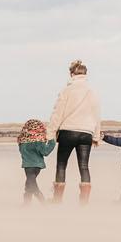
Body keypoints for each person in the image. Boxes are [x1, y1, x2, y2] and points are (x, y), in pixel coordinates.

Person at [47, 60, 103, 204]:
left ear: (71, 73)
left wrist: (50, 133)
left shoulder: (67, 90)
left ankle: (57, 200)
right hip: (86, 133)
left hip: (68, 131)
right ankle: (84, 202)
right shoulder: (92, 91)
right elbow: (97, 114)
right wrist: (96, 136)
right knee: (84, 166)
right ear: (85, 74)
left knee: (61, 165)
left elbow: (57, 113)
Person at [17, 119, 56, 205]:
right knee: (29, 184)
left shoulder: (21, 140)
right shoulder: (38, 140)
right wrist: (52, 141)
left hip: (28, 166)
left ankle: (42, 203)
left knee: (31, 184)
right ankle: (27, 204)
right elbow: (46, 152)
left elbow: (22, 152)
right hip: (37, 166)